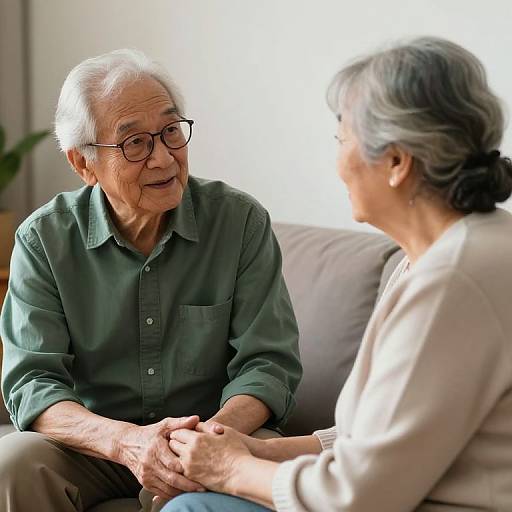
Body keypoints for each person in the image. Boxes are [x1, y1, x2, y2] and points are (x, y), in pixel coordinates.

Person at [158, 37, 512, 511]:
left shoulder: (453, 281)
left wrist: (229, 468)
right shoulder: (448, 253)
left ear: (396, 162)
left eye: (342, 140)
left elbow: (357, 495)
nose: (338, 164)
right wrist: (257, 450)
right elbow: (372, 439)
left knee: (192, 507)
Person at [0, 49, 302, 511]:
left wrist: (202, 444)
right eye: (134, 143)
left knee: (254, 465)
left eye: (170, 132)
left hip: (215, 431)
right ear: (83, 164)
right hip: (95, 446)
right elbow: (33, 382)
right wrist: (126, 442)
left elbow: (268, 365)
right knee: (13, 462)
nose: (163, 158)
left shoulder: (239, 221)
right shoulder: (45, 239)